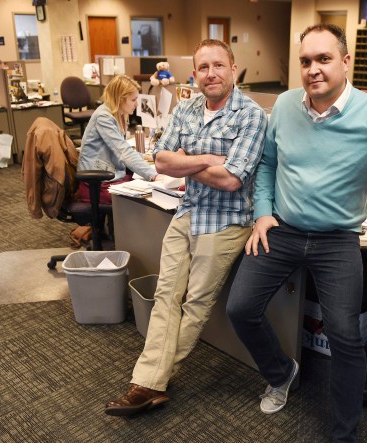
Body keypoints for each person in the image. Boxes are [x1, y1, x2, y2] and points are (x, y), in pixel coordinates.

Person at [225, 24, 367, 443]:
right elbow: (268, 165)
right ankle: (282, 372)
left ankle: (345, 434)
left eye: (324, 59)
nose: (313, 70)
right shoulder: (287, 105)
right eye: (305, 61)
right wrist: (262, 213)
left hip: (336, 240)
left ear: (345, 62)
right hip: (283, 230)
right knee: (240, 308)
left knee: (345, 336)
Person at [104, 39, 267, 416]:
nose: (211, 73)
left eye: (218, 65)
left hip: (226, 221)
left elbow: (232, 181)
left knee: (195, 304)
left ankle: (147, 383)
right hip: (187, 211)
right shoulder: (187, 107)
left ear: (233, 68)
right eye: (203, 67)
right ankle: (151, 384)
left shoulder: (251, 115)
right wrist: (209, 158)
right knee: (166, 296)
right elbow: (161, 160)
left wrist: (187, 160)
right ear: (194, 74)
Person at [77, 74, 158, 204]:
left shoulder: (117, 115)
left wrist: (144, 157)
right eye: (133, 100)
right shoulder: (103, 117)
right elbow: (123, 151)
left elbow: (119, 149)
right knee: (144, 200)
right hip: (97, 184)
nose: (136, 104)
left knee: (146, 190)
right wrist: (154, 175)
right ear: (120, 99)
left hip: (111, 176)